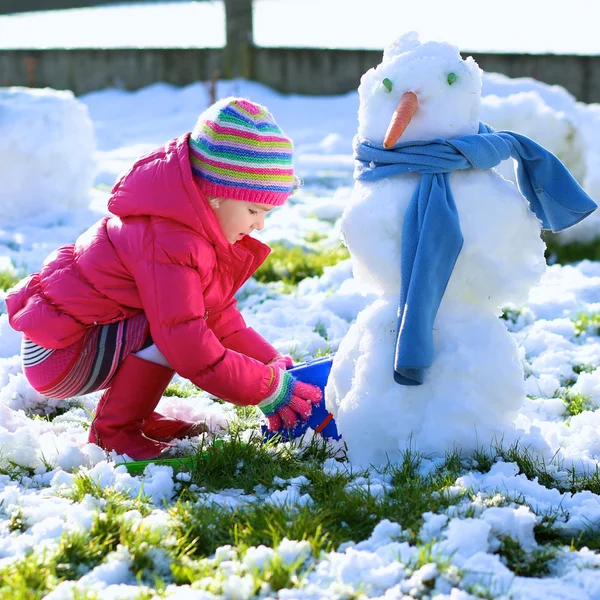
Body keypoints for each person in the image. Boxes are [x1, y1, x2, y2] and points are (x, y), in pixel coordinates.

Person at [6, 97, 323, 460]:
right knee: (174, 331)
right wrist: (267, 389)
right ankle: (116, 431)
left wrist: (272, 365)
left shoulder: (193, 228)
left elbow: (220, 316)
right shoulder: (170, 239)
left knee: (178, 321)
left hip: (80, 336)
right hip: (59, 351)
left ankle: (134, 417)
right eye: (253, 209)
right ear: (216, 195)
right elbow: (188, 345)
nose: (260, 224)